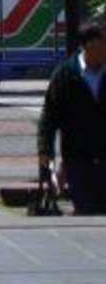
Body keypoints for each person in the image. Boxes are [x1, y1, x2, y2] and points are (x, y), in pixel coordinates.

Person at [38, 22, 106, 213]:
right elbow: (49, 117)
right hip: (78, 159)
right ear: (91, 44)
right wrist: (45, 151)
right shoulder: (66, 75)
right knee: (86, 211)